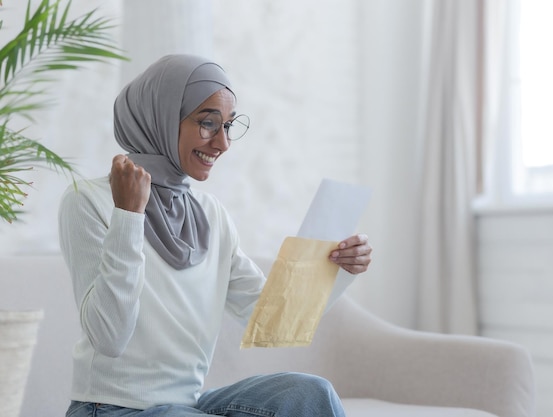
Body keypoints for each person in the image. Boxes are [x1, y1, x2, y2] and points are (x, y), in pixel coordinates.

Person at [58, 54, 372, 417]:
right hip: (109, 408)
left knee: (309, 394)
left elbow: (271, 320)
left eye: (228, 126)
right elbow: (109, 337)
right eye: (208, 123)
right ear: (160, 117)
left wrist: (338, 265)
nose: (222, 143)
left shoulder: (211, 215)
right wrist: (129, 215)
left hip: (185, 406)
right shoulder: (89, 201)